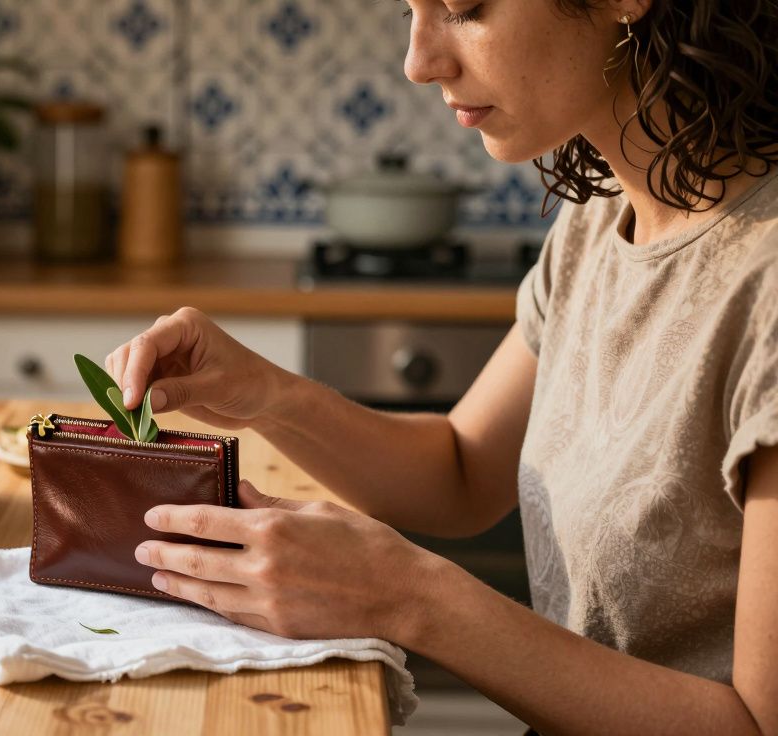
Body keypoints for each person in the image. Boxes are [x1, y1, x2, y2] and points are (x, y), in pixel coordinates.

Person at [104, 1, 778, 733]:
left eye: (463, 8)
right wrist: (267, 396)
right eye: (411, 9)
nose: (419, 62)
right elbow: (462, 472)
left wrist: (407, 596)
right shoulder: (602, 220)